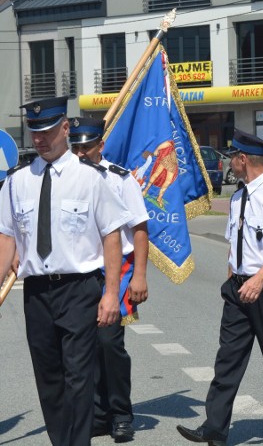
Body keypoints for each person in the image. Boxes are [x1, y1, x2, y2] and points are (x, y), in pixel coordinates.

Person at [0, 96, 131, 446]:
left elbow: (112, 237)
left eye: (46, 131)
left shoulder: (90, 178)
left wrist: (111, 294)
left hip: (79, 288)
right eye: (34, 132)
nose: (39, 139)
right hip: (37, 294)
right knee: (49, 379)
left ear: (65, 128)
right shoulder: (16, 182)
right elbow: (7, 240)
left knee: (78, 377)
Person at [177, 129, 263, 446]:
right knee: (228, 359)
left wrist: (259, 279)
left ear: (243, 159)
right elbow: (235, 245)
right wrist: (232, 280)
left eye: (232, 156)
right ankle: (216, 428)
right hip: (237, 289)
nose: (229, 162)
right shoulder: (237, 197)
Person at [69, 118, 150, 443]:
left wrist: (140, 275)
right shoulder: (68, 178)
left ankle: (120, 414)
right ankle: (97, 414)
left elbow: (140, 228)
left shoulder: (120, 179)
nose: (80, 153)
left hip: (117, 270)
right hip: (79, 271)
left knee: (108, 342)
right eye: (75, 147)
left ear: (100, 145)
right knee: (82, 347)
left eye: (86, 147)